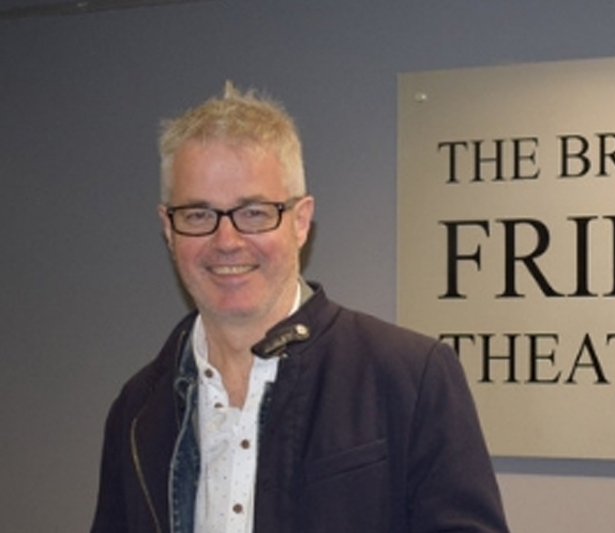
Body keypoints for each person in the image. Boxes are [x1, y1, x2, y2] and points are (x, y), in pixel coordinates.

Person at [90, 82, 509, 533]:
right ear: (168, 229)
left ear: (301, 221)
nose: (226, 241)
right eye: (198, 215)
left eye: (254, 212)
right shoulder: (138, 411)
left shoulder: (410, 377)